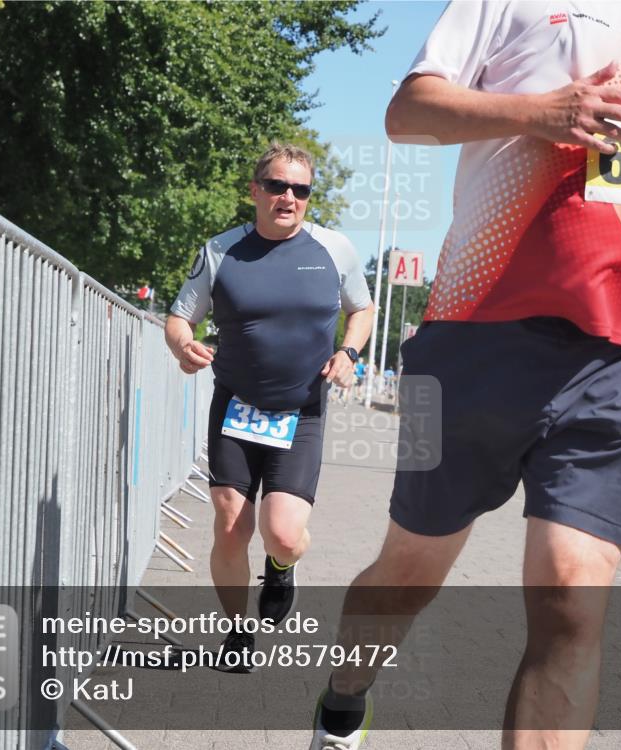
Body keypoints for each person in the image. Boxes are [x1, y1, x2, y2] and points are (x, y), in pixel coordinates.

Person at [310, 2, 621, 748]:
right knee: (409, 573)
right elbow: (409, 113)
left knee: (572, 597)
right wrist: (540, 114)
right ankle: (344, 699)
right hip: (474, 336)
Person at [165, 143, 374, 672]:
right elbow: (180, 317)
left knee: (282, 532)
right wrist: (183, 345)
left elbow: (363, 309)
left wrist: (349, 352)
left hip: (300, 412)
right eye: (278, 186)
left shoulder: (335, 249)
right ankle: (238, 631)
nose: (289, 197)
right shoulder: (222, 250)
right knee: (230, 523)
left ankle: (281, 566)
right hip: (236, 406)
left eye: (300, 190)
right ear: (255, 190)